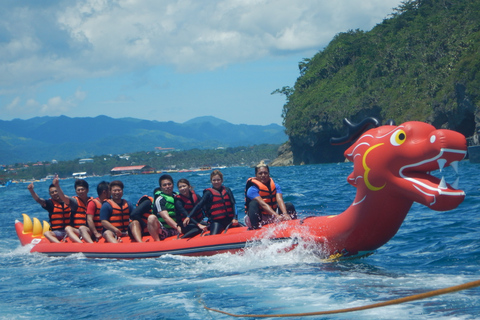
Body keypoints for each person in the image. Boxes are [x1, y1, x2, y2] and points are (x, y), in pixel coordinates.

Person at [244, 162, 297, 230]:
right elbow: (263, 204)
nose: (263, 175)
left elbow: (279, 200)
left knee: (289, 205)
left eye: (265, 173)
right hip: (260, 217)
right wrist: (276, 216)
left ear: (269, 174)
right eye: (260, 173)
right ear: (256, 175)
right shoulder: (252, 190)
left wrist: (285, 213)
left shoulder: (276, 186)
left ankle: (293, 226)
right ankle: (255, 228)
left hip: (272, 215)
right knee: (253, 204)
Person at [189, 170, 238, 235]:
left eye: (218, 180)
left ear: (222, 180)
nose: (216, 182)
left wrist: (235, 218)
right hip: (217, 222)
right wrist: (189, 216)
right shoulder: (208, 193)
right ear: (211, 181)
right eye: (214, 180)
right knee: (214, 236)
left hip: (230, 220)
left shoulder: (227, 190)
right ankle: (208, 235)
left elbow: (233, 204)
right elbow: (199, 205)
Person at [52, 177, 92, 243]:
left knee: (83, 228)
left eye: (82, 189)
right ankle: (81, 244)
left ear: (87, 190)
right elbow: (63, 197)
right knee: (68, 228)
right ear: (76, 191)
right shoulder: (75, 202)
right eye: (78, 190)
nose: (80, 192)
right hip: (78, 231)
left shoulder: (92, 202)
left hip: (89, 230)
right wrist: (57, 186)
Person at [147, 174, 182, 241]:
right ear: (161, 187)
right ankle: (158, 242)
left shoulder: (178, 196)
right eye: (164, 185)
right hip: (165, 229)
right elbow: (165, 217)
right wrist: (177, 227)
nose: (167, 186)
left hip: (179, 226)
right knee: (151, 218)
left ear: (173, 185)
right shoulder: (160, 199)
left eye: (169, 184)